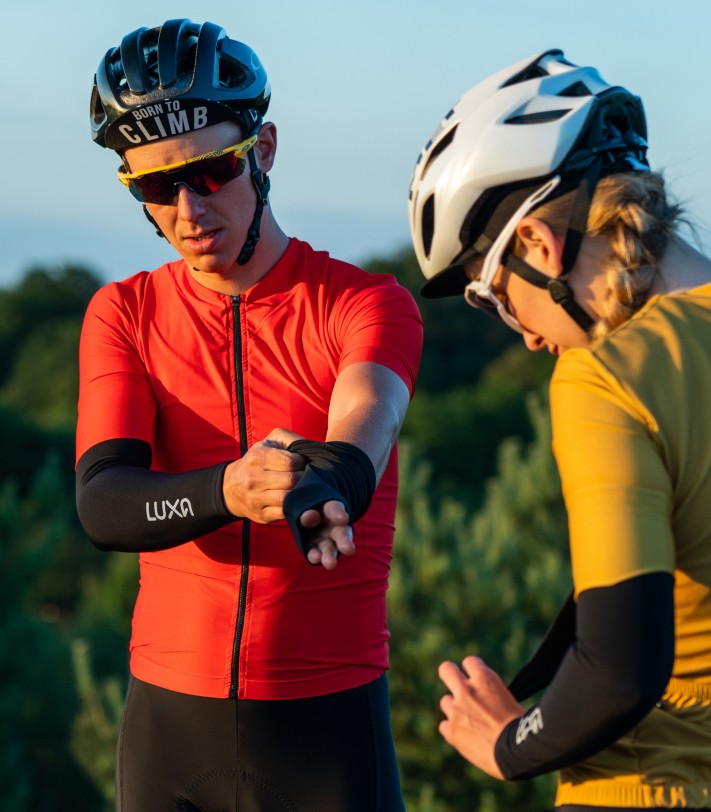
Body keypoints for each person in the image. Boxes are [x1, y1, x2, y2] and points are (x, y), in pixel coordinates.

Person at [77, 18, 422, 812]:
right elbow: (103, 502)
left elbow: (368, 413)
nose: (190, 209)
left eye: (212, 169)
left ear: (262, 151)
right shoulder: (123, 313)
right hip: (168, 731)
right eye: (158, 188)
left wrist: (327, 479)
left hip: (326, 732)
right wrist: (229, 490)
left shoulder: (364, 303)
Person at [408, 49, 711, 810]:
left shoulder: (608, 378)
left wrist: (508, 743)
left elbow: (618, 672)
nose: (528, 338)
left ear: (540, 246)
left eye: (497, 299)